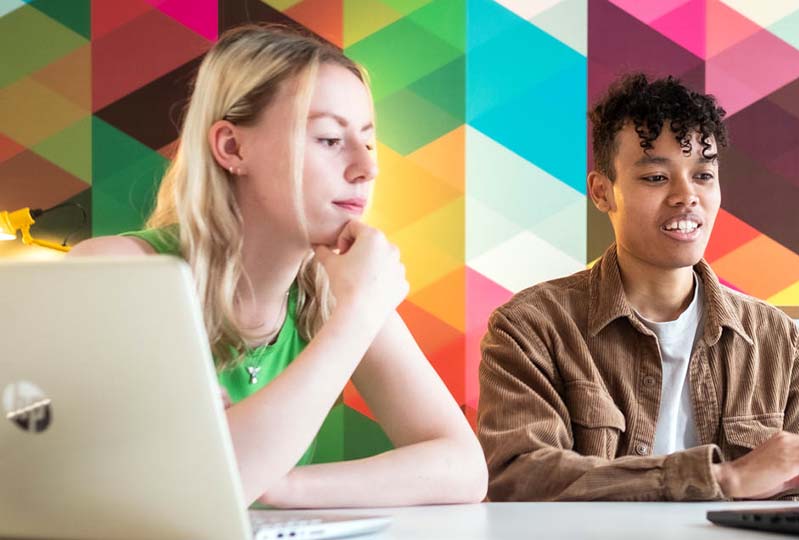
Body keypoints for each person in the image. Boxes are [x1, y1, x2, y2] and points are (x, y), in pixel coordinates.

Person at [69, 24, 487, 508]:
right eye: (330, 139)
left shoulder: (338, 293)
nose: (366, 167)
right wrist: (357, 317)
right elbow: (199, 493)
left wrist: (283, 483)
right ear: (232, 148)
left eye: (368, 143)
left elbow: (463, 468)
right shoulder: (117, 274)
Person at [478, 73, 799, 502]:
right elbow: (519, 475)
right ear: (603, 192)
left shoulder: (778, 341)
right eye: (656, 178)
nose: (687, 196)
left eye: (703, 174)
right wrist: (721, 479)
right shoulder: (531, 327)